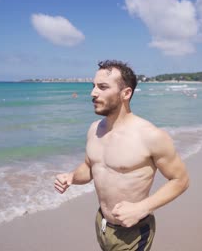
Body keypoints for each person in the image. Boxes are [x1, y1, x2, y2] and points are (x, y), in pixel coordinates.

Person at [55, 60, 190, 251]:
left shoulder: (150, 136)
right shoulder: (94, 130)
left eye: (102, 87)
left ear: (126, 93)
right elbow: (90, 167)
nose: (93, 93)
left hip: (133, 232)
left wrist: (142, 208)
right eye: (93, 86)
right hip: (102, 223)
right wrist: (71, 177)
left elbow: (181, 180)